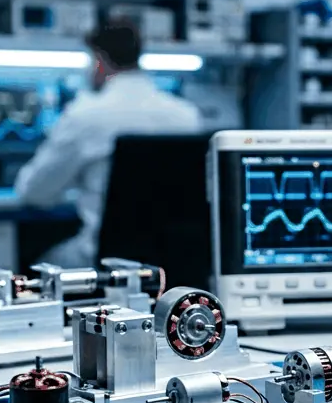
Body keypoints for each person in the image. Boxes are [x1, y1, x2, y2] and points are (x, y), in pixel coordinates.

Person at [15, 22, 201, 268]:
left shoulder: (86, 115)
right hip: (171, 263)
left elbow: (35, 193)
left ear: (99, 60)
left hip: (103, 262)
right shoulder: (186, 116)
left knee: (37, 268)